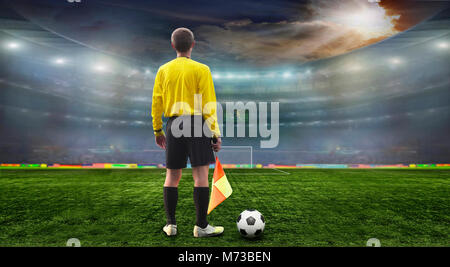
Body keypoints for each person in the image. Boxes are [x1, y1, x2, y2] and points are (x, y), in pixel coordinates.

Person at [151, 27, 223, 237]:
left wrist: (157, 129)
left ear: (173, 46)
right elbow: (209, 103)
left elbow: (157, 102)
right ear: (193, 44)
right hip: (198, 124)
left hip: (174, 124)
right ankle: (201, 227)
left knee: (172, 176)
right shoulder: (202, 69)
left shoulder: (163, 70)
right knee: (200, 177)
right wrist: (215, 133)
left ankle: (171, 226)